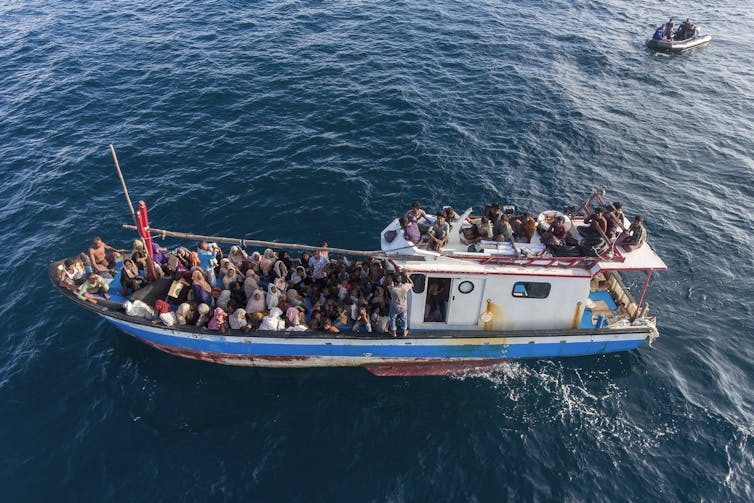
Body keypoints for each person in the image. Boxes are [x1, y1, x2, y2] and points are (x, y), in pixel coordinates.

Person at [387, 273, 414, 338]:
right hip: (403, 306)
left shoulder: (392, 289)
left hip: (395, 307)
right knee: (404, 318)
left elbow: (389, 286)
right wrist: (408, 277)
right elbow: (412, 284)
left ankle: (394, 333)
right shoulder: (405, 287)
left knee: (393, 318)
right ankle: (404, 331)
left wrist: (392, 283)